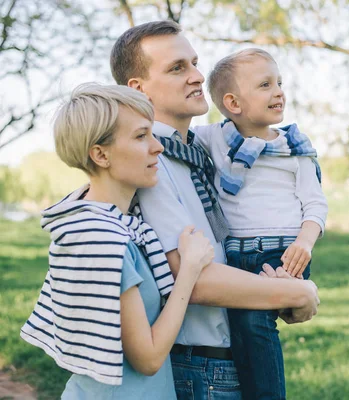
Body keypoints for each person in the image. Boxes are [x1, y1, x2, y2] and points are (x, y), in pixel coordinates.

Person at [110, 20, 321, 400]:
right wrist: (294, 294)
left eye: (194, 63)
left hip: (230, 356)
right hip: (202, 367)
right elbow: (195, 280)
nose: (196, 76)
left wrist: (281, 290)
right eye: (177, 68)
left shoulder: (200, 151)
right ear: (138, 89)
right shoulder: (152, 161)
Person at [20, 83, 215, 399]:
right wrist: (189, 269)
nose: (158, 147)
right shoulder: (103, 240)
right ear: (100, 154)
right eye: (141, 136)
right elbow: (148, 358)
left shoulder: (95, 223)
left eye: (152, 134)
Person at [190, 48, 328, 399]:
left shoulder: (295, 147)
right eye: (265, 85)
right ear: (233, 103)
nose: (279, 91)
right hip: (236, 257)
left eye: (279, 82)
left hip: (285, 254)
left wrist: (305, 244)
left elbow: (315, 204)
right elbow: (169, 135)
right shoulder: (215, 138)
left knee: (254, 322)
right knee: (240, 327)